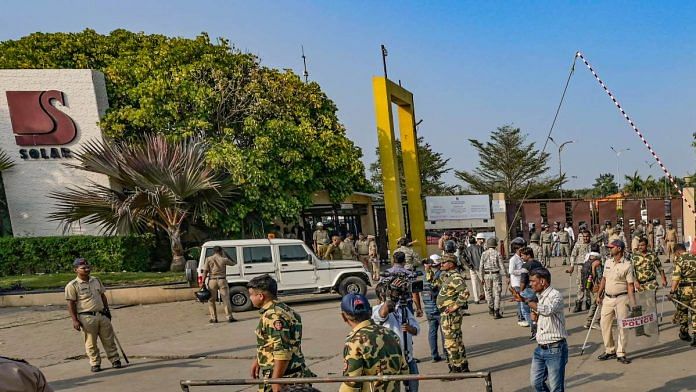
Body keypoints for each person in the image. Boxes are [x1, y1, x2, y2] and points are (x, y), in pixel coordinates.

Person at [248, 275, 315, 392]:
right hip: (294, 372)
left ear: (260, 296)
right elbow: (270, 342)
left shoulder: (273, 316)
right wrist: (259, 359)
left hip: (285, 377)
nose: (250, 298)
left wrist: (276, 380)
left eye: (251, 295)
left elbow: (282, 350)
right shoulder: (284, 309)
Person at [513, 268, 568, 392]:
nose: (530, 284)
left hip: (555, 348)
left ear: (542, 281)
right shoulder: (539, 296)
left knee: (556, 388)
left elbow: (547, 310)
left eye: (533, 281)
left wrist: (526, 301)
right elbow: (541, 314)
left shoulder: (555, 295)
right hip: (540, 348)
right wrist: (535, 318)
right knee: (536, 383)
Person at [339, 293, 408, 392]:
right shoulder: (390, 333)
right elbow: (405, 371)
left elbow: (351, 383)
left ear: (343, 317)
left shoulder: (354, 342)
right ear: (371, 312)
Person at [65, 258, 121, 372]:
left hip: (102, 314)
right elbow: (70, 303)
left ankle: (115, 360)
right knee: (90, 342)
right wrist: (74, 320)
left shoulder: (96, 280)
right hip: (86, 317)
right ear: (76, 270)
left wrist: (107, 310)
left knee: (109, 339)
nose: (87, 269)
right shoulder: (72, 285)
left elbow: (102, 296)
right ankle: (95, 363)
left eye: (88, 267)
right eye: (83, 268)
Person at [372, 281, 420, 391]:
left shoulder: (403, 308)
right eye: (392, 292)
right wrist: (391, 298)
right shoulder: (376, 310)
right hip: (390, 361)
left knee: (413, 388)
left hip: (408, 357)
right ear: (382, 295)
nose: (396, 295)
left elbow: (416, 329)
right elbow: (382, 314)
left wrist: (409, 328)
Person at [595, 240, 637, 364]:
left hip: (622, 298)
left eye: (611, 247)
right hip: (607, 298)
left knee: (622, 326)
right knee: (604, 324)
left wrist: (633, 302)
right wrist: (599, 294)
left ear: (619, 249)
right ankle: (610, 350)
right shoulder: (608, 262)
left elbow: (630, 285)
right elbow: (604, 279)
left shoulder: (627, 265)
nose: (609, 249)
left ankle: (621, 352)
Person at [429, 253, 471, 373]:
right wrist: (429, 270)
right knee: (456, 340)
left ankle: (456, 368)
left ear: (451, 264)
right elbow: (433, 284)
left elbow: (465, 293)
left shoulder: (455, 277)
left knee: (450, 342)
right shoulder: (447, 276)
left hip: (450, 315)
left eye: (444, 262)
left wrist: (454, 306)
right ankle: (463, 365)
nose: (441, 264)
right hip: (447, 314)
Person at [200, 246, 237, 323]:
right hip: (222, 280)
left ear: (214, 251)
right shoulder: (224, 259)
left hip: (212, 281)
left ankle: (214, 318)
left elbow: (205, 271)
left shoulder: (208, 259)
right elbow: (234, 263)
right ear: (221, 251)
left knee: (211, 300)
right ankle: (229, 317)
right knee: (225, 299)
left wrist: (202, 282)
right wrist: (226, 254)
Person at [669, 244, 696, 345]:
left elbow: (676, 277)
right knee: (695, 312)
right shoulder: (694, 257)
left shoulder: (679, 260)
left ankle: (684, 333)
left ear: (677, 252)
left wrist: (672, 291)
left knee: (683, 311)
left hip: (684, 289)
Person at [385, 251, 424, 317]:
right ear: (405, 261)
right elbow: (415, 293)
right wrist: (418, 308)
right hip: (406, 305)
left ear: (393, 260)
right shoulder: (409, 274)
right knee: (409, 325)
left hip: (389, 304)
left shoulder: (386, 273)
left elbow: (381, 291)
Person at [423, 255, 446, 362]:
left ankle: (434, 355)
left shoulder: (424, 277)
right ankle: (446, 354)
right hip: (438, 308)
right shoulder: (439, 275)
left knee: (432, 332)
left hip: (428, 308)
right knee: (444, 332)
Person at [479, 237, 507, 319]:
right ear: (495, 245)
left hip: (486, 275)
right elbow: (502, 265)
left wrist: (481, 278)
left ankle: (491, 309)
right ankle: (496, 311)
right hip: (496, 275)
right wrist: (506, 275)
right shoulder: (497, 253)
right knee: (497, 293)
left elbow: (481, 267)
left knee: (488, 293)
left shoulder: (484, 254)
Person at [566, 230, 592, 313]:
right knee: (580, 285)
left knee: (589, 284)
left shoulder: (592, 244)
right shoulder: (578, 244)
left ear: (589, 236)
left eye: (587, 236)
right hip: (580, 266)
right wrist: (572, 265)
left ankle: (589, 303)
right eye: (584, 236)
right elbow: (573, 255)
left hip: (590, 267)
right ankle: (579, 304)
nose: (585, 238)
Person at [508, 238, 528, 326]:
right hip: (516, 283)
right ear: (517, 249)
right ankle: (521, 318)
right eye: (521, 248)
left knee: (523, 301)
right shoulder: (513, 259)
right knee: (520, 301)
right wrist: (522, 271)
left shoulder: (522, 258)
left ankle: (524, 316)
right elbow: (511, 271)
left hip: (523, 282)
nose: (522, 250)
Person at [582, 249, 603, 330]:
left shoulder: (587, 261)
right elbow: (600, 277)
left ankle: (589, 322)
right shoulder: (597, 263)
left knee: (593, 304)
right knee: (598, 304)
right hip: (596, 287)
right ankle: (595, 322)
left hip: (589, 286)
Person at [465, 234, 485, 303]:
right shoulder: (480, 247)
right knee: (483, 282)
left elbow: (463, 258)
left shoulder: (467, 249)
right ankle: (487, 297)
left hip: (472, 268)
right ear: (475, 241)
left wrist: (469, 265)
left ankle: (476, 299)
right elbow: (483, 257)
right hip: (480, 267)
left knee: (474, 283)